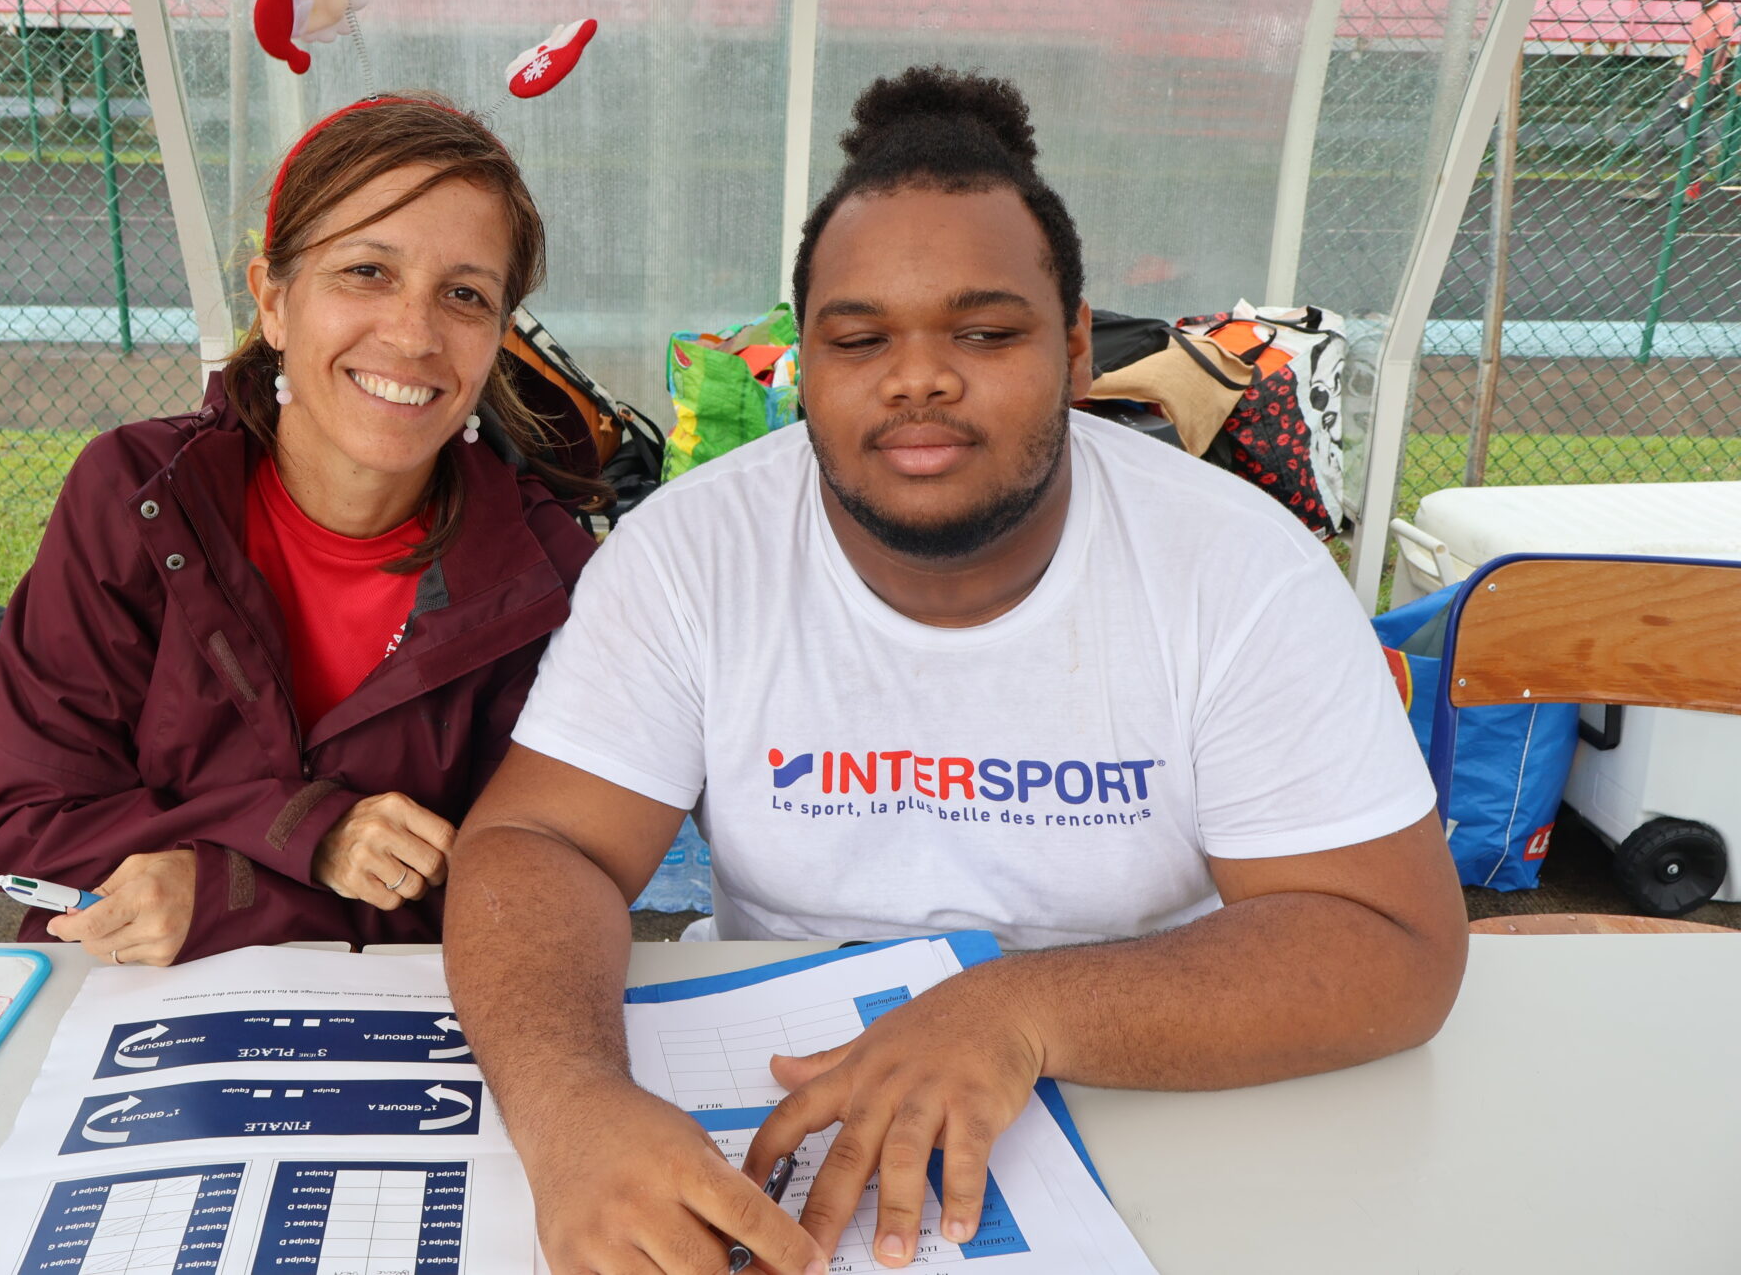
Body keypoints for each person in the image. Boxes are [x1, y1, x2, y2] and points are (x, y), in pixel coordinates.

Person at [444, 67, 1467, 1275]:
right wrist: (569, 1109)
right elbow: (539, 845)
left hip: (1157, 1090)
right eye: (857, 338)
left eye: (984, 333)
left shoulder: (1237, 568)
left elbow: (1392, 944)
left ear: (1075, 347)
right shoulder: (691, 552)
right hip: (785, 1093)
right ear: (800, 362)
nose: (917, 377)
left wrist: (1018, 1011)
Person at [0, 93, 602, 967]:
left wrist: (225, 891)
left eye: (464, 294)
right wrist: (313, 831)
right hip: (122, 1003)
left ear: (498, 337)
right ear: (273, 300)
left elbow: (526, 893)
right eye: (367, 271)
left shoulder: (546, 573)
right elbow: (34, 830)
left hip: (399, 1018)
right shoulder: (133, 495)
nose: (414, 334)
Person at [1629, 0, 1735, 199]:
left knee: (1693, 134)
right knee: (1662, 129)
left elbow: (1719, 51)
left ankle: (1689, 188)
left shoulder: (1724, 14)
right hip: (1686, 78)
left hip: (1702, 81)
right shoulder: (1699, 15)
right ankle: (1648, 186)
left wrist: (1701, 85)